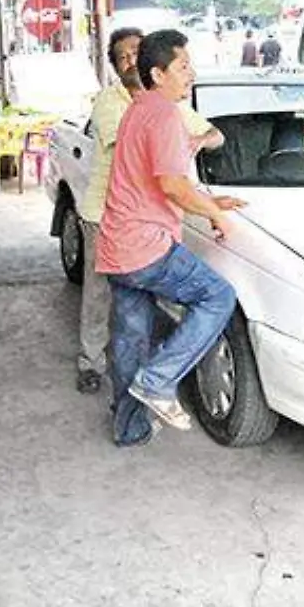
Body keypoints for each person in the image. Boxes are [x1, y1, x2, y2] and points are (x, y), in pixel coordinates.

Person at [96, 30, 244, 446]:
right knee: (217, 297)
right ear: (158, 74)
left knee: (131, 340)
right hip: (146, 247)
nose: (191, 74)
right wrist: (215, 214)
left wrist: (212, 198)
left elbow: (158, 179)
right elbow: (172, 186)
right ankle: (159, 381)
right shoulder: (163, 114)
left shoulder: (139, 108)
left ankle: (129, 429)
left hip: (117, 246)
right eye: (183, 67)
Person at [73, 28, 223, 398]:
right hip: (111, 217)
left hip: (142, 223)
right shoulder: (117, 104)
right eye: (122, 57)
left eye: (135, 53)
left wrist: (193, 141)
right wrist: (212, 211)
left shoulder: (158, 106)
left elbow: (213, 135)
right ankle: (96, 363)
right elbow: (162, 173)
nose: (129, 61)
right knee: (99, 298)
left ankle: (130, 419)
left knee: (130, 326)